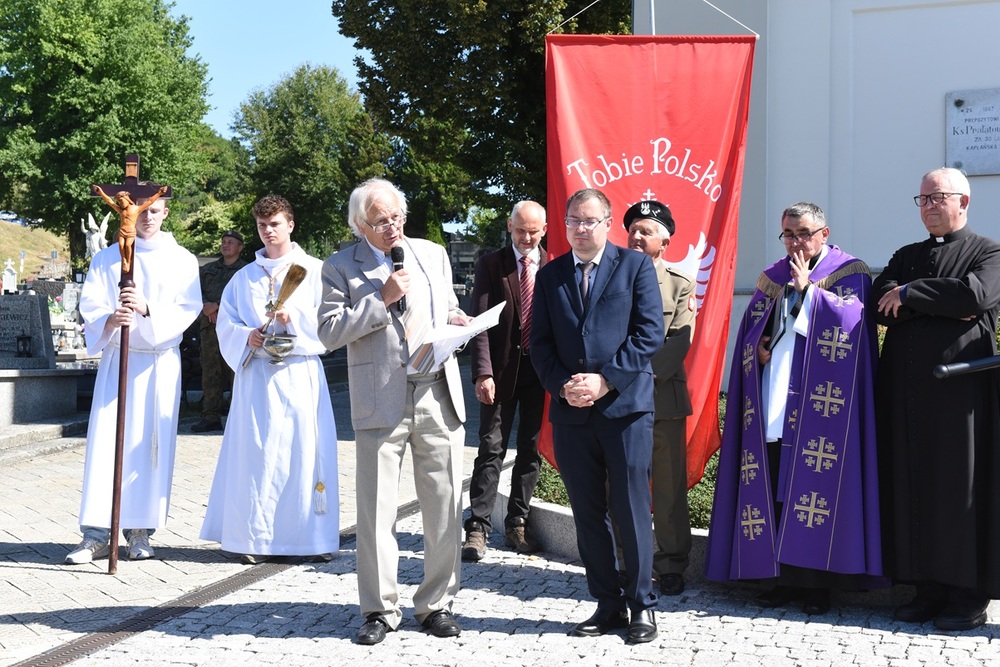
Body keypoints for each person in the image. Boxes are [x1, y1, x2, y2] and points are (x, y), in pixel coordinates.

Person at [705, 202, 883, 615]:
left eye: (804, 233)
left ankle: (816, 587)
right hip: (775, 397)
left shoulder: (850, 272)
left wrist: (809, 293)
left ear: (824, 233)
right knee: (773, 483)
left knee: (813, 491)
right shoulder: (773, 276)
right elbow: (752, 331)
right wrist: (756, 347)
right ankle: (780, 581)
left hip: (825, 408)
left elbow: (852, 326)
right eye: (788, 234)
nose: (796, 242)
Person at [317, 178, 471, 645]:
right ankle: (380, 610)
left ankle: (437, 604)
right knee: (376, 510)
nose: (392, 227)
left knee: (444, 506)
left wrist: (459, 321)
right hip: (379, 397)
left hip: (436, 392)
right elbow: (328, 332)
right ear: (360, 225)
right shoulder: (339, 266)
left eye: (396, 217)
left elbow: (448, 307)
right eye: (381, 221)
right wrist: (380, 299)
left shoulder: (432, 254)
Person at [530, 188, 664, 643]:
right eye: (573, 220)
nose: (580, 229)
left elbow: (649, 334)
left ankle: (642, 605)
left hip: (625, 409)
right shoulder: (550, 276)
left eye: (589, 221)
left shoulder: (635, 266)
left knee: (631, 508)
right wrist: (562, 386)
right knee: (587, 514)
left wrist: (605, 381)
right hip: (572, 413)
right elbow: (540, 344)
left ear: (608, 224)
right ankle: (607, 604)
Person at [873, 168, 1000, 631]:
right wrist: (936, 302)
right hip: (906, 394)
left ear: (963, 202)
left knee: (958, 490)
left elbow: (974, 296)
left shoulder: (988, 252)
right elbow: (878, 303)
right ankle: (926, 587)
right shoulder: (906, 255)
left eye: (937, 197)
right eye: (922, 199)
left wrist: (908, 294)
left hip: (960, 396)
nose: (927, 206)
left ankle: (967, 593)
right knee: (913, 485)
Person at [200, 195, 339, 564]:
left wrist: (296, 321)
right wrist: (245, 336)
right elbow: (226, 322)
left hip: (299, 372)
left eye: (275, 224)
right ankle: (255, 539)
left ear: (290, 225)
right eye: (262, 226)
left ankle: (310, 540)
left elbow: (331, 323)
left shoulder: (314, 270)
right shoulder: (244, 277)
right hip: (258, 376)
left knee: (303, 454)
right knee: (256, 456)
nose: (268, 231)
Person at [66, 193, 201, 564]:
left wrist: (147, 309)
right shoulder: (108, 258)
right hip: (118, 360)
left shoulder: (182, 260)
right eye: (142, 212)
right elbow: (91, 304)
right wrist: (110, 319)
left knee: (148, 447)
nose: (147, 218)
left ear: (165, 212)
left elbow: (188, 308)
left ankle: (139, 531)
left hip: (158, 363)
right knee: (106, 443)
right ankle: (96, 534)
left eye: (154, 211)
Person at [462, 200, 547, 561]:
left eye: (533, 232)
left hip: (540, 373)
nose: (526, 238)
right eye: (520, 230)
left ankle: (517, 523)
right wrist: (483, 371)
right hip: (500, 371)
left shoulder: (555, 265)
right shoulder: (491, 264)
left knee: (530, 450)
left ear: (544, 230)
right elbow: (479, 322)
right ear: (510, 226)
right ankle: (478, 527)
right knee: (491, 448)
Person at [622, 200, 696, 596]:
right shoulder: (609, 276)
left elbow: (679, 340)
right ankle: (626, 562)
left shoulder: (680, 284)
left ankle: (670, 564)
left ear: (664, 242)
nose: (637, 236)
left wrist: (635, 378)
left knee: (667, 488)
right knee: (621, 484)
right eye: (633, 229)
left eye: (646, 231)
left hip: (661, 398)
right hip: (616, 399)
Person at [191, 229, 248, 433]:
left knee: (236, 372)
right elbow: (194, 294)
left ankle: (237, 418)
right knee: (210, 372)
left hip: (236, 329)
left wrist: (217, 306)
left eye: (231, 242)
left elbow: (246, 299)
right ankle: (210, 417)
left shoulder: (246, 271)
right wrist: (206, 307)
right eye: (224, 241)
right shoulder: (208, 269)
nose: (226, 245)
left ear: (240, 247)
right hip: (210, 328)